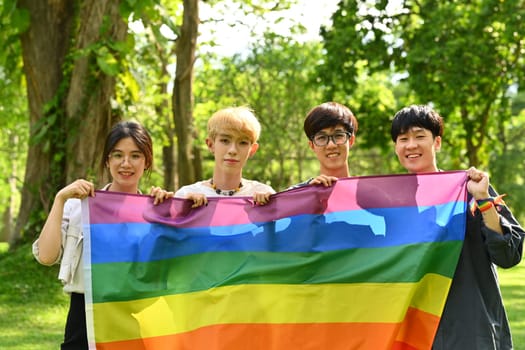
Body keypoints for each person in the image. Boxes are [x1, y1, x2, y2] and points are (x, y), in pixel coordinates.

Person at [390, 104, 524, 349]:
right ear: (396, 147)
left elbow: (509, 254)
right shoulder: (390, 206)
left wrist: (483, 200)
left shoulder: (470, 189)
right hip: (413, 332)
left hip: (471, 330)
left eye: (420, 136)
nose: (411, 145)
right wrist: (318, 195)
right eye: (403, 139)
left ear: (437, 142)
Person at [32, 121, 172, 350]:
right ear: (107, 161)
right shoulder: (80, 207)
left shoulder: (155, 212)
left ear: (146, 162)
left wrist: (171, 212)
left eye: (135, 156)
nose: (126, 163)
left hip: (133, 318)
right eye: (117, 155)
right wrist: (60, 199)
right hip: (83, 318)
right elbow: (46, 256)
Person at [175, 106, 275, 207]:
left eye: (243, 142)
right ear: (211, 145)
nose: (233, 150)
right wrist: (166, 204)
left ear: (252, 150)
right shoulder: (185, 196)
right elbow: (167, 220)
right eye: (225, 141)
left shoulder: (264, 194)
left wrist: (272, 208)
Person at [292, 101, 358, 188]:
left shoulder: (368, 194)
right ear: (312, 145)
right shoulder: (296, 196)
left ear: (351, 140)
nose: (331, 145)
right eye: (322, 138)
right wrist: (271, 199)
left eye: (338, 135)